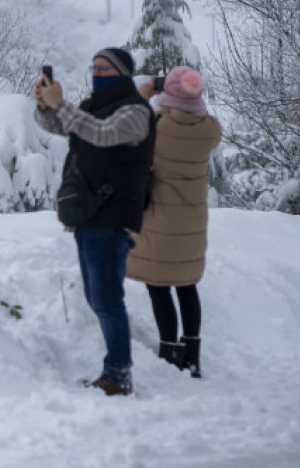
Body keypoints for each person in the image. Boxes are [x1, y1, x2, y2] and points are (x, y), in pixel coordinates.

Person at [34, 47, 155, 396]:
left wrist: (62, 104)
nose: (96, 73)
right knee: (98, 296)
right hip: (90, 214)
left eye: (104, 68)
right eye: (94, 67)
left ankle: (118, 375)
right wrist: (45, 104)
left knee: (106, 298)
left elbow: (102, 134)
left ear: (122, 72)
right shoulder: (93, 107)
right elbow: (60, 124)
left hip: (113, 217)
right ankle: (116, 372)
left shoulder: (136, 111)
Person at [126, 66, 222, 378]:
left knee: (159, 286)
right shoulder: (210, 130)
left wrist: (146, 95)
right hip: (193, 221)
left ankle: (169, 352)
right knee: (186, 286)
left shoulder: (158, 128)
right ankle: (192, 355)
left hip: (160, 220)